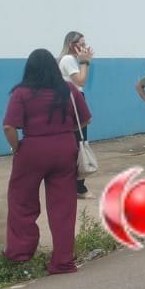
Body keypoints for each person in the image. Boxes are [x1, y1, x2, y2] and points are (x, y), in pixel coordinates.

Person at [2, 49, 90, 274]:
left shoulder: (21, 93)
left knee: (22, 201)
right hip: (65, 149)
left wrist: (16, 147)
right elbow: (86, 118)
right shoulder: (68, 90)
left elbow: (9, 126)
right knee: (63, 207)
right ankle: (62, 261)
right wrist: (63, 130)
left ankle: (20, 253)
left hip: (33, 150)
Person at [57, 31, 96, 198]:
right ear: (72, 45)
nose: (84, 46)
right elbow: (81, 81)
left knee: (79, 141)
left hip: (75, 99)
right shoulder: (68, 60)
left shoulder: (71, 60)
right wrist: (85, 62)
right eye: (81, 43)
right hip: (72, 102)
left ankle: (76, 184)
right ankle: (78, 187)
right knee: (79, 141)